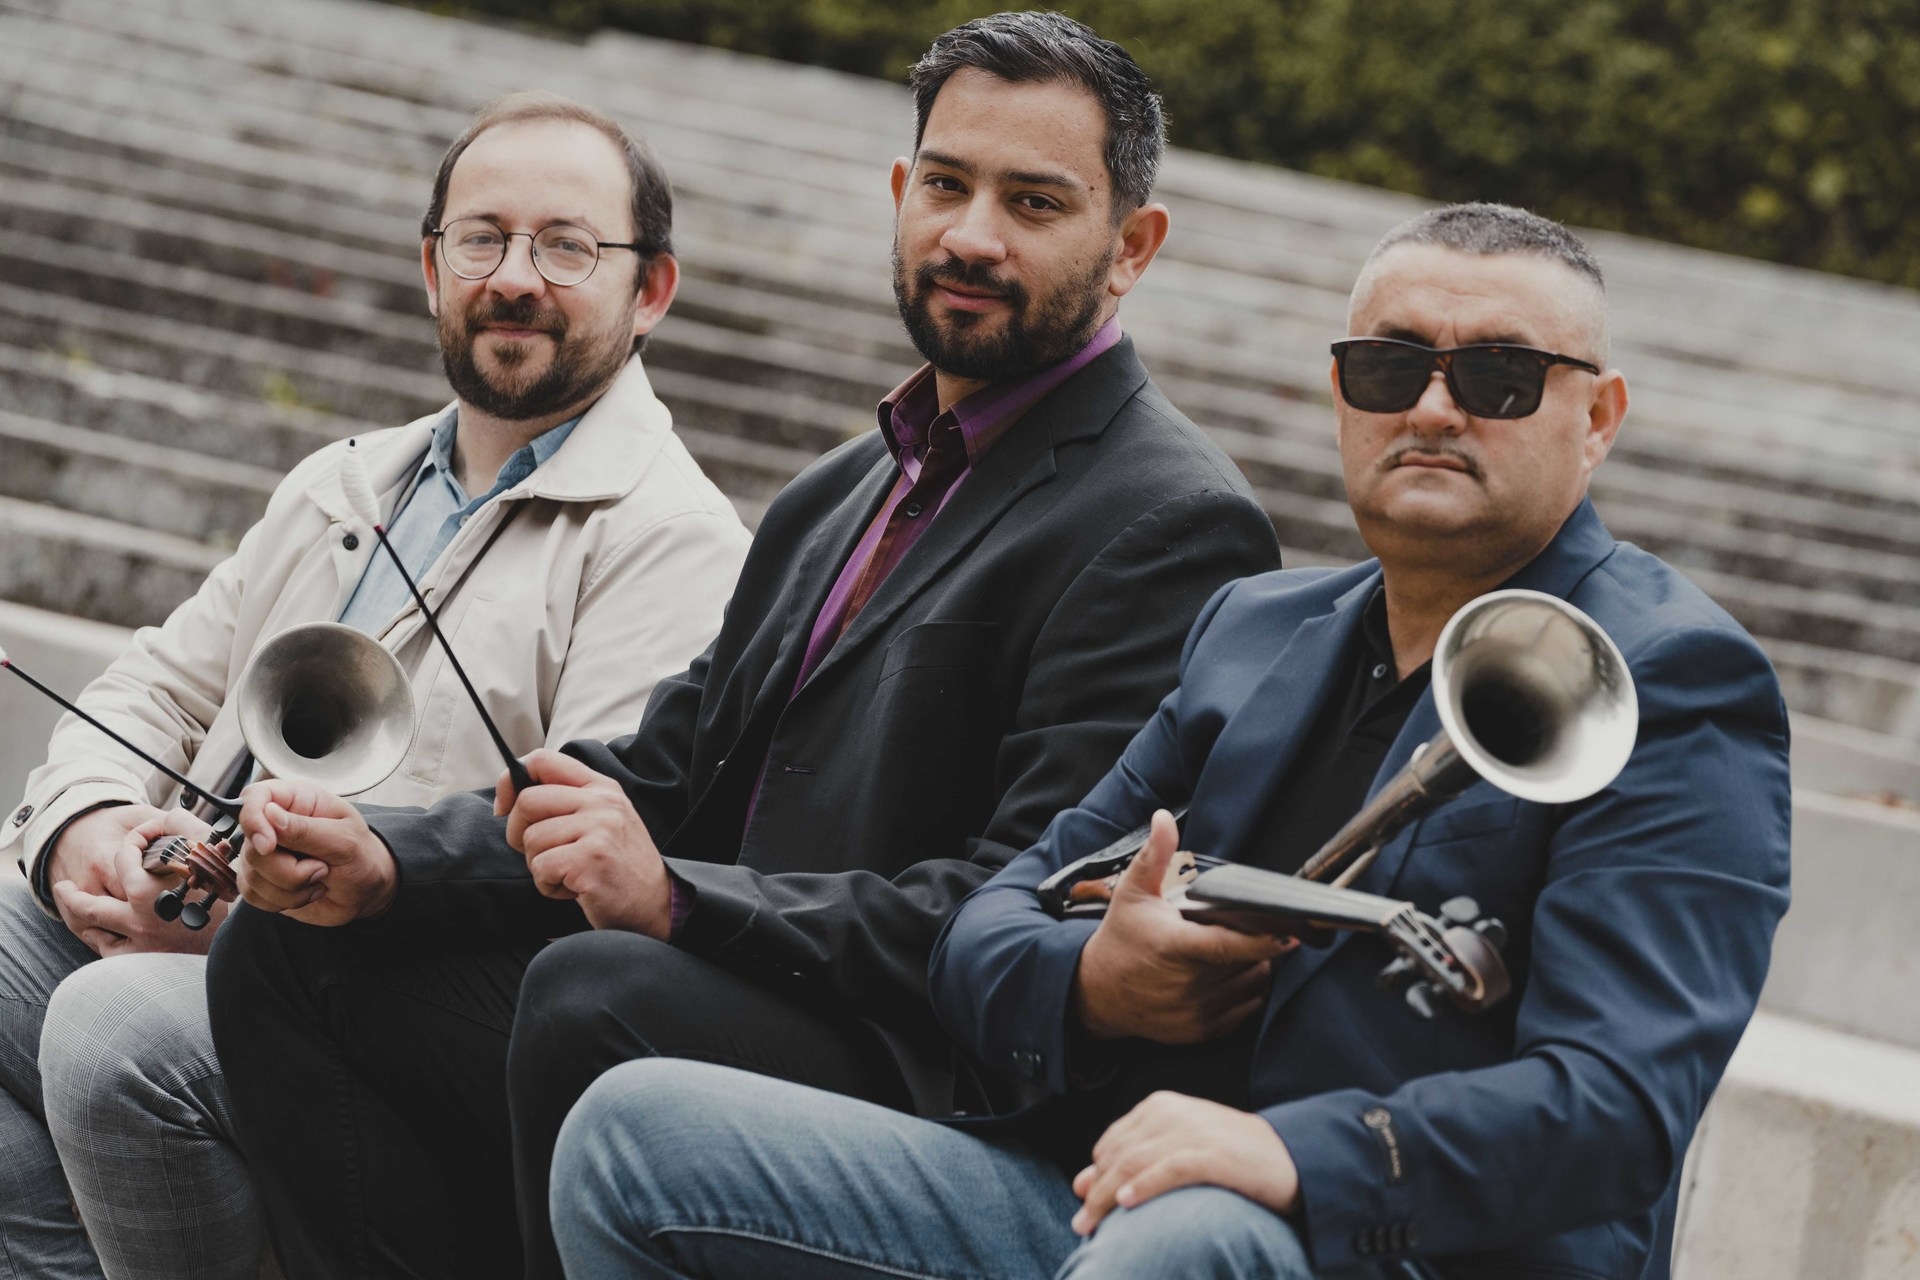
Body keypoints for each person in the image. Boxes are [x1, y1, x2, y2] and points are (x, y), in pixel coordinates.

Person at [206, 13, 1282, 1280]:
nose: (972, 235)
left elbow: (1030, 903)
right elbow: (663, 766)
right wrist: (384, 857)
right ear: (902, 194)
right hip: (747, 988)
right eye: (945, 184)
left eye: (1034, 201)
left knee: (595, 989)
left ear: (1131, 246)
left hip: (934, 1064)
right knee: (288, 950)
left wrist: (678, 899)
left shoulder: (1170, 520)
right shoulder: (842, 487)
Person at [547, 203, 1793, 1280]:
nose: (1430, 406)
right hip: (1119, 1209)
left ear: (1600, 415)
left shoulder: (1675, 678)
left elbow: (1624, 1107)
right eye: (1386, 367)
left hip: (1392, 1244)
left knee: (1189, 1232)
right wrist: (1096, 980)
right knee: (635, 1133)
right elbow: (990, 920)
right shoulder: (1254, 627)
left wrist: (1288, 1154)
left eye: (1499, 377)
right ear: (1339, 395)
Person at [0, 92, 749, 1280]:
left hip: (346, 1002)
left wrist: (272, 908)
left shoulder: (679, 541)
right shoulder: (337, 480)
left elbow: (580, 854)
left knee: (110, 1032)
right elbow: (157, 683)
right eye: (481, 237)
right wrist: (86, 828)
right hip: (183, 918)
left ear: (649, 288)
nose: (515, 277)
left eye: (567, 244)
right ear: (430, 264)